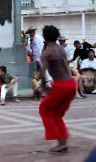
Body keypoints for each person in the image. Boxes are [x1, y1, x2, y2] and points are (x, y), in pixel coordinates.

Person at [39, 25, 77, 153]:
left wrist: (43, 85)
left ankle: (60, 140)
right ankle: (62, 142)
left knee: (44, 109)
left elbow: (42, 70)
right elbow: (65, 66)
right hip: (70, 84)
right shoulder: (61, 49)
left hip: (60, 85)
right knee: (56, 113)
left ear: (44, 37)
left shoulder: (46, 53)